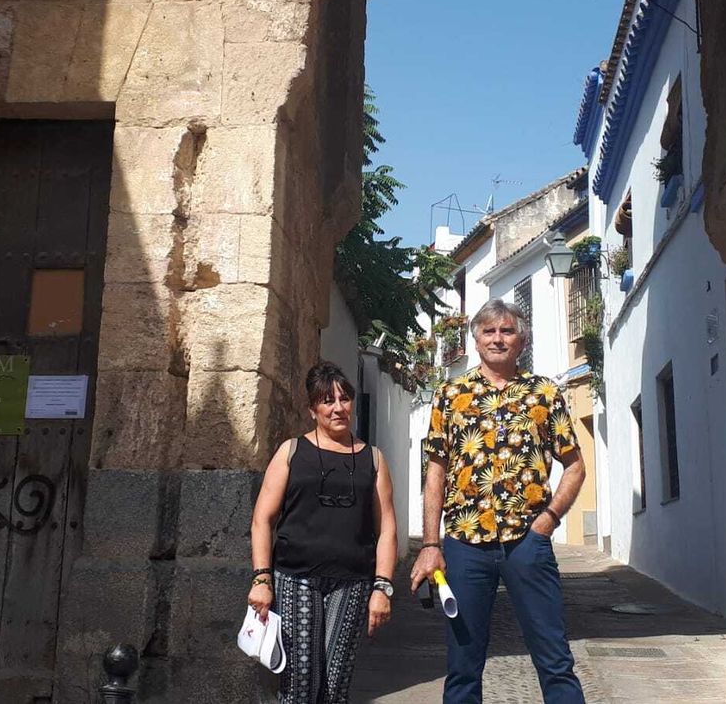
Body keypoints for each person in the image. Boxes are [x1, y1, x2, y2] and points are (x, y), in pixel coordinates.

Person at [411, 299, 587, 703]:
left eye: (507, 331)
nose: (498, 338)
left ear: (521, 341)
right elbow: (435, 471)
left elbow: (575, 466)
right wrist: (430, 545)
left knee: (554, 658)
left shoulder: (544, 393)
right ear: (475, 340)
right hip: (465, 545)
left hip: (527, 543)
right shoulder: (451, 394)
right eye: (489, 331)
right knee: (462, 666)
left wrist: (548, 520)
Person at [248, 360, 398, 703]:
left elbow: (387, 527)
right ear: (312, 409)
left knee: (334, 685)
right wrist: (261, 579)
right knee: (299, 684)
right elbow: (262, 519)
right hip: (295, 577)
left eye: (344, 399)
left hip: (352, 583)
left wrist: (383, 588)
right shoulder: (291, 451)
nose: (338, 408)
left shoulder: (373, 460)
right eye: (327, 400)